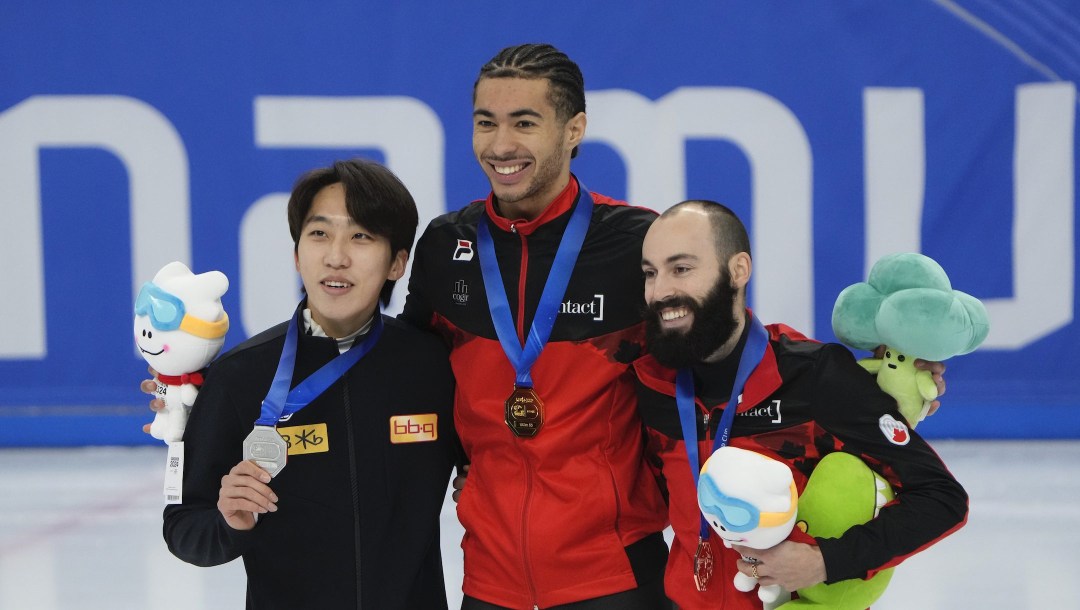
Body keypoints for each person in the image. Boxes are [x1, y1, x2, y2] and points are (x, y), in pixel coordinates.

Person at [400, 44, 671, 608]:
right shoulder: (447, 243)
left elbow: (711, 371)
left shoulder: (637, 244)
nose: (501, 146)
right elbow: (407, 375)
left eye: (525, 123)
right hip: (489, 577)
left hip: (615, 575)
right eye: (485, 123)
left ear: (574, 130)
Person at [633, 200, 969, 609]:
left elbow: (941, 497)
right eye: (651, 273)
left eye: (681, 269)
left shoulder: (814, 377)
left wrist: (824, 562)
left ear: (737, 270)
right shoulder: (651, 383)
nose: (661, 291)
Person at [161, 159, 459, 609]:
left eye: (361, 236)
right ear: (297, 253)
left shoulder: (434, 367)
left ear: (397, 262)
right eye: (319, 233)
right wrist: (229, 521)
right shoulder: (240, 377)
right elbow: (185, 528)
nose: (336, 256)